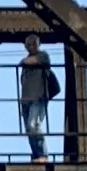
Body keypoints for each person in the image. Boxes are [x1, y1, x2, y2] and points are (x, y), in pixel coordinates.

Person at [19, 35, 59, 163]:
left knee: (34, 125)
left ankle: (43, 154)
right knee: (29, 129)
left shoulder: (43, 56)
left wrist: (24, 61)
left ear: (38, 44)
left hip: (38, 97)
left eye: (33, 43)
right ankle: (37, 155)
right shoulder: (27, 62)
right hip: (25, 100)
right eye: (29, 44)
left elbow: (29, 61)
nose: (31, 46)